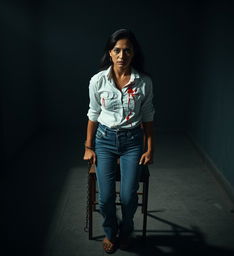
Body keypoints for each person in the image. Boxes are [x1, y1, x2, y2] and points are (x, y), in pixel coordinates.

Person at [83, 28, 155, 253]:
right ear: (110, 53)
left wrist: (149, 148)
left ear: (133, 54)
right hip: (105, 141)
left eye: (127, 51)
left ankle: (125, 231)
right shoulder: (98, 81)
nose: (122, 55)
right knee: (105, 198)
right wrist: (88, 146)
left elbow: (148, 117)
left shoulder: (143, 83)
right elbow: (93, 114)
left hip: (133, 142)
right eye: (117, 50)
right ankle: (109, 231)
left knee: (127, 196)